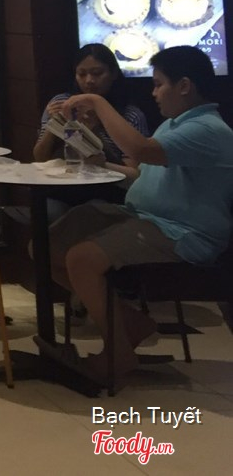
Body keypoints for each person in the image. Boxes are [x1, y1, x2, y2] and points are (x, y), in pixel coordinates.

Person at [43, 46, 233, 388]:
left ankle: (117, 355)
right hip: (142, 216)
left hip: (181, 232)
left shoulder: (208, 129)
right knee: (47, 248)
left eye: (159, 84)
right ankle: (131, 324)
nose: (154, 92)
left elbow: (141, 151)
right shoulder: (174, 125)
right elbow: (141, 173)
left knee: (82, 258)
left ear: (184, 86)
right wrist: (102, 164)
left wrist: (97, 102)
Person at [32, 43, 149, 218]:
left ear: (113, 74)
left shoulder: (129, 114)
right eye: (81, 74)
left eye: (97, 73)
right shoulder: (62, 102)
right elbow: (40, 157)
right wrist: (55, 123)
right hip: (62, 186)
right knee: (48, 211)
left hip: (107, 189)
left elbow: (134, 174)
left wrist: (95, 130)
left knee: (90, 213)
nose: (89, 81)